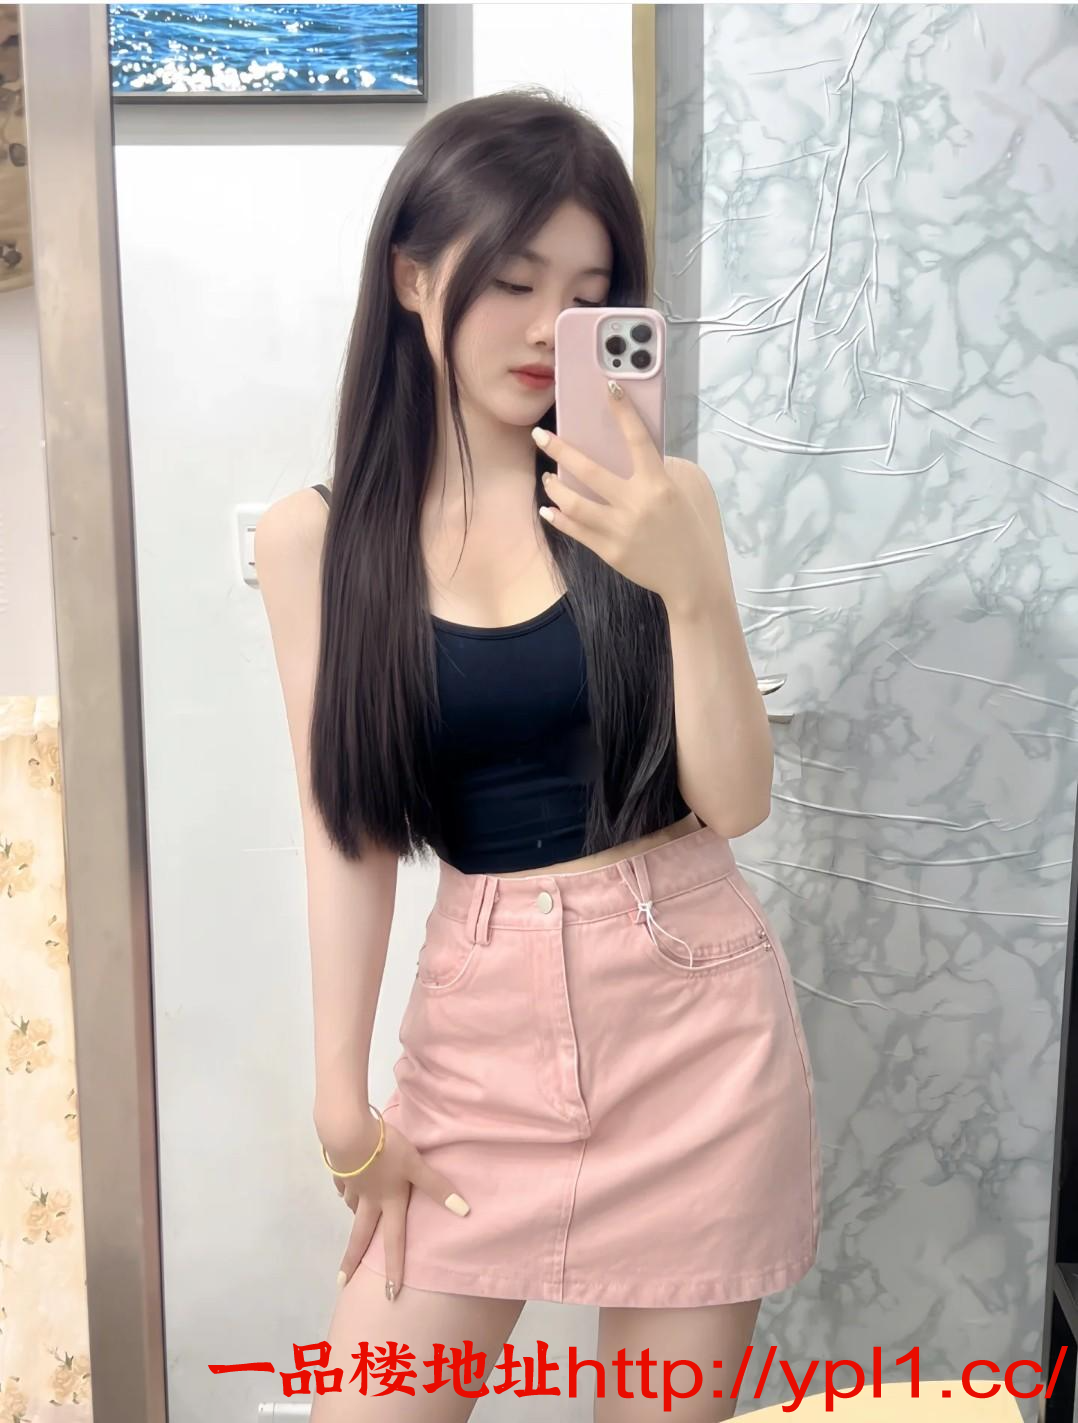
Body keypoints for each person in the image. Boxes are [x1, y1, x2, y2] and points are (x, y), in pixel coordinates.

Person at [255, 87, 820, 1422]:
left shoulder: (659, 502)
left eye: (585, 293)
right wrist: (340, 1094)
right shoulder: (317, 541)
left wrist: (691, 586)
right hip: (479, 1038)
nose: (542, 326)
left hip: (693, 1027)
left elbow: (734, 800)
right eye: (510, 281)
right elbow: (346, 829)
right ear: (412, 276)